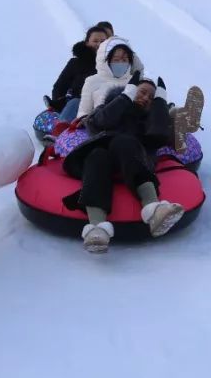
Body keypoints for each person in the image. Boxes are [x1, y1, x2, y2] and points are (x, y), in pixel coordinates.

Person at [62, 72, 185, 253]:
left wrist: (160, 105)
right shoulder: (110, 106)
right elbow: (96, 123)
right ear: (131, 89)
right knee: (97, 153)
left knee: (123, 141)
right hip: (100, 161)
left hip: (134, 158)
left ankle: (154, 209)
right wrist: (124, 98)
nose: (145, 98)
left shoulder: (151, 120)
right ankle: (97, 229)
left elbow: (159, 136)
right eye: (142, 92)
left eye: (152, 98)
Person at [49, 25, 109, 122]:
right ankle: (62, 130)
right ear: (87, 43)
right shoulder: (76, 63)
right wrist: (59, 104)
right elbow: (60, 87)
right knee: (75, 102)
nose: (99, 44)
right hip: (78, 104)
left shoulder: (114, 62)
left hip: (103, 105)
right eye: (95, 41)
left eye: (103, 41)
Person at [76, 37, 144, 118]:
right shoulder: (92, 81)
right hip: (100, 126)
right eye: (116, 60)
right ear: (105, 60)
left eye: (125, 60)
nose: (120, 63)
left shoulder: (136, 82)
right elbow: (84, 112)